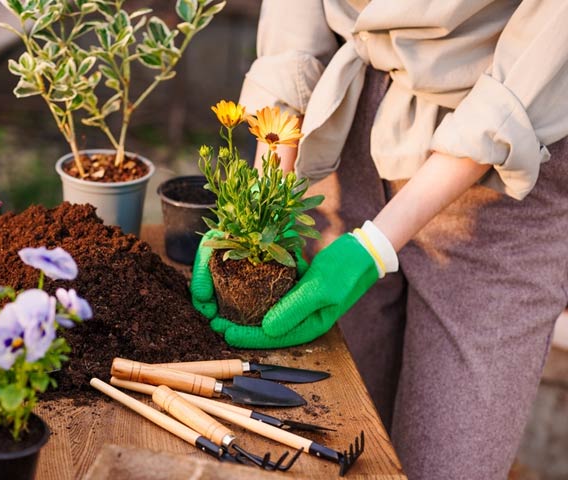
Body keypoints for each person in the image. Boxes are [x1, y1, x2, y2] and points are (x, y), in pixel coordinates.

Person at [189, 1, 568, 479]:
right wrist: (265, 193)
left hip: (502, 177)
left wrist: (372, 249)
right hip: (344, 132)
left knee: (449, 464)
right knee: (324, 441)